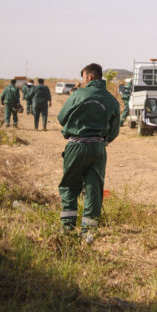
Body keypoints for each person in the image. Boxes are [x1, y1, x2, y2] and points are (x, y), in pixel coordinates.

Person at [56, 63, 121, 234]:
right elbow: (114, 131)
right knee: (94, 189)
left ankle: (67, 227)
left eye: (83, 77)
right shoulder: (111, 100)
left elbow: (61, 118)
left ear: (90, 76)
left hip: (76, 146)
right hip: (98, 148)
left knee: (70, 186)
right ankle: (89, 232)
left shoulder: (78, 94)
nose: (83, 81)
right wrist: (102, 141)